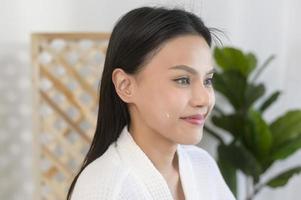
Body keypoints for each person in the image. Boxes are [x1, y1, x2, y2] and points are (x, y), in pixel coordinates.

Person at [68, 6, 235, 200]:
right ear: (125, 86)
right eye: (182, 80)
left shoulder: (202, 165)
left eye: (207, 80)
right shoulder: (103, 188)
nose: (204, 99)